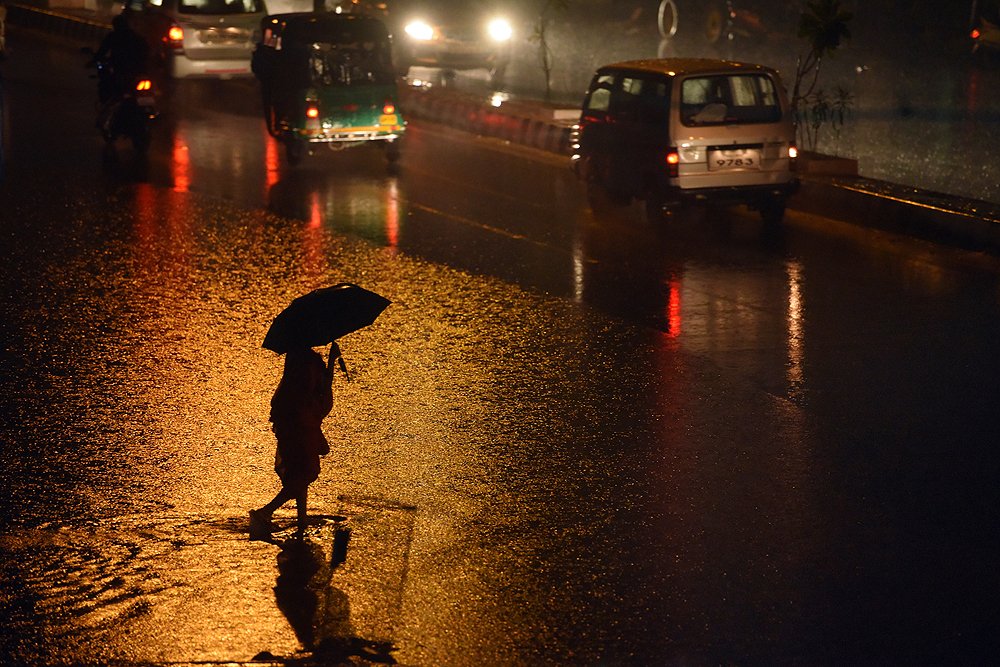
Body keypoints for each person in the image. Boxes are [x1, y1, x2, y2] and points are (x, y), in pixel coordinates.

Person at [250, 342, 339, 540]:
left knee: (299, 472)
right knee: (306, 472)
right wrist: (332, 361)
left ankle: (301, 520)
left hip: (293, 426)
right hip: (302, 427)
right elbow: (323, 391)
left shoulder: (296, 359)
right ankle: (265, 511)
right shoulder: (310, 362)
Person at [91, 13, 149, 105]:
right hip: (135, 72)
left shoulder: (114, 36)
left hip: (123, 71)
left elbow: (102, 51)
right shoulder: (138, 38)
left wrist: (94, 61)